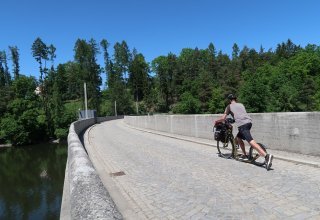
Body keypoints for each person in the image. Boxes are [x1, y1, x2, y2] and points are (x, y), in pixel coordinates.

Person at [215, 94, 273, 170]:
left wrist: (217, 121)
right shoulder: (241, 105)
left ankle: (266, 156)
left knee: (251, 141)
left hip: (243, 125)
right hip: (249, 123)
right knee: (239, 138)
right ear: (236, 99)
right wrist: (233, 120)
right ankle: (245, 154)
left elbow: (223, 118)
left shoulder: (229, 106)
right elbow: (240, 114)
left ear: (229, 100)